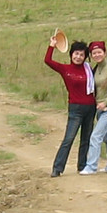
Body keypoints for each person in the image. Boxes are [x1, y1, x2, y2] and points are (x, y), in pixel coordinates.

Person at [44, 29, 96, 177]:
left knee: (86, 139)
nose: (78, 57)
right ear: (71, 54)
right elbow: (48, 61)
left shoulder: (89, 70)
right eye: (76, 54)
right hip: (75, 109)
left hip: (90, 108)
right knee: (69, 138)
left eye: (81, 55)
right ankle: (57, 168)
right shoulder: (65, 69)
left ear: (85, 57)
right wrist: (52, 45)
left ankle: (82, 166)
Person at [79, 40, 107, 174]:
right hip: (99, 109)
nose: (97, 55)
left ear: (105, 53)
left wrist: (106, 102)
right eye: (94, 53)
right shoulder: (95, 69)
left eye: (99, 52)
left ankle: (91, 167)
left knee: (95, 136)